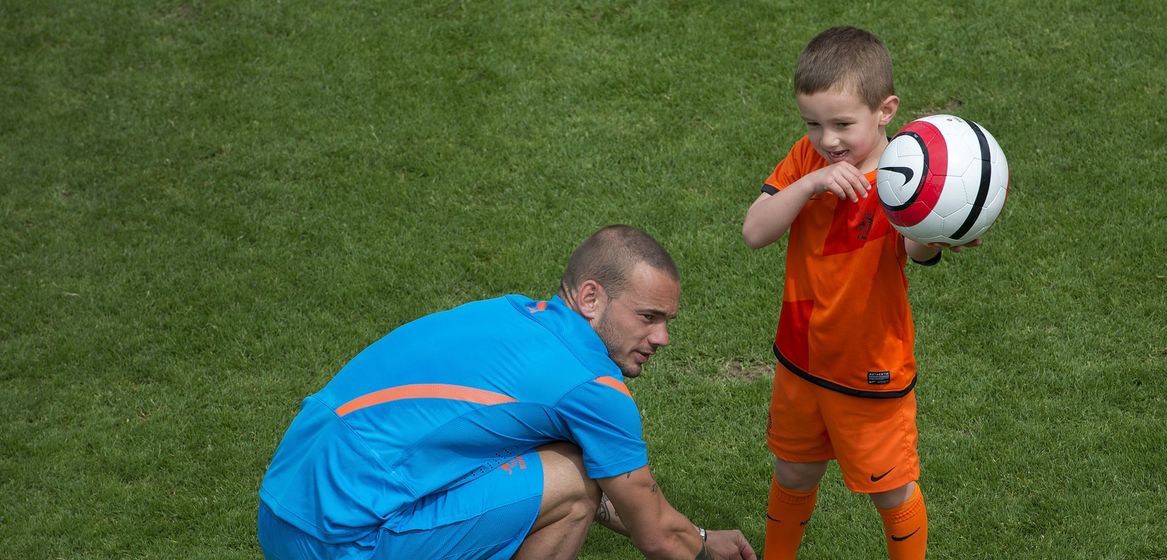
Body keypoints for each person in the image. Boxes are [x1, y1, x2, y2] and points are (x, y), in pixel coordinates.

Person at [257, 225, 756, 560]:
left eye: (668, 321)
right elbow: (657, 535)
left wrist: (699, 535)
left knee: (562, 465)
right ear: (590, 297)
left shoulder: (512, 313)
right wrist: (704, 545)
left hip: (280, 513)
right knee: (578, 478)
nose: (662, 337)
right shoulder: (593, 387)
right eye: (648, 317)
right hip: (342, 541)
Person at [741, 27, 981, 560]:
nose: (827, 139)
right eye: (812, 123)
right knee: (794, 470)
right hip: (801, 357)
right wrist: (808, 186)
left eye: (842, 124)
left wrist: (936, 229)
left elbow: (918, 254)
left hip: (869, 370)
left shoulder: (910, 178)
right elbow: (755, 232)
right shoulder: (808, 160)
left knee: (890, 487)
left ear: (885, 109)